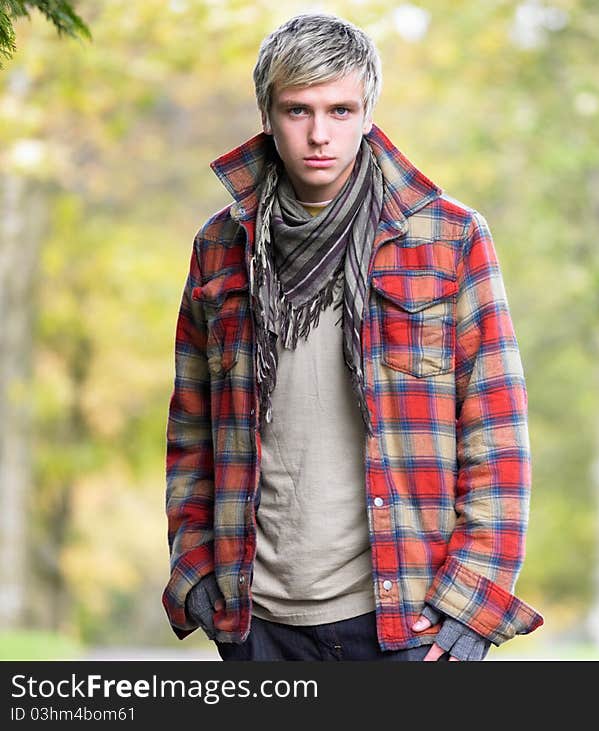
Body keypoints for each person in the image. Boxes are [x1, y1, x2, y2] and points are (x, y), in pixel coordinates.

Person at [162, 12, 542, 661]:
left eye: (341, 110)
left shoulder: (448, 239)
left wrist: (471, 606)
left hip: (406, 618)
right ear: (267, 114)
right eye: (297, 110)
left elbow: (495, 432)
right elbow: (192, 430)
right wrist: (196, 568)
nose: (319, 134)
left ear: (369, 114)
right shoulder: (220, 247)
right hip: (259, 621)